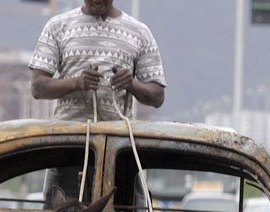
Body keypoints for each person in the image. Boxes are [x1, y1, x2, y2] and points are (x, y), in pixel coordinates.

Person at [30, 0, 167, 201]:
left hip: (118, 151)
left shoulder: (140, 32)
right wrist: (77, 83)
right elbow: (38, 87)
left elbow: (157, 96)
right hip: (68, 148)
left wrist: (131, 84)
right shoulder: (57, 26)